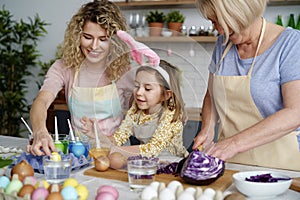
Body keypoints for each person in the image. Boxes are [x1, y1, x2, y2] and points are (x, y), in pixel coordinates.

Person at [192, 0, 300, 171]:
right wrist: (207, 128)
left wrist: (234, 144)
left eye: (219, 21)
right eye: (213, 22)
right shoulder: (222, 45)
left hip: (281, 166)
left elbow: (295, 113)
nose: (218, 30)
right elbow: (211, 96)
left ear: (240, 11)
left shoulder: (291, 44)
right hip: (231, 164)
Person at [28, 0, 134, 156]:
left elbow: (146, 109)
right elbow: (41, 101)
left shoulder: (125, 70)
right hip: (78, 153)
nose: (94, 46)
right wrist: (40, 132)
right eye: (88, 37)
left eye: (103, 39)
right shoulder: (64, 67)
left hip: (117, 153)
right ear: (77, 36)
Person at [110, 59, 189, 158]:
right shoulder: (136, 109)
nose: (138, 92)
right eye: (137, 86)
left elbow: (152, 149)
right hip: (149, 163)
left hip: (173, 164)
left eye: (147, 88)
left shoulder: (171, 115)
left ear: (166, 94)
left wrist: (115, 150)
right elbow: (119, 137)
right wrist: (97, 136)